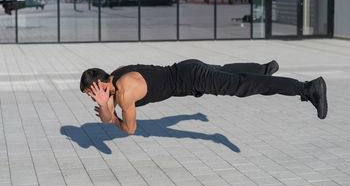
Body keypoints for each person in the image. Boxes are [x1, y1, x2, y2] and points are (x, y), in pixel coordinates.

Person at [80, 59, 327, 135]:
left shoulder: (125, 92)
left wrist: (112, 118)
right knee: (225, 72)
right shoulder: (115, 78)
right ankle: (263, 69)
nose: (92, 98)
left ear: (100, 84)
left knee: (242, 86)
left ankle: (307, 88)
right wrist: (106, 111)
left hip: (192, 78)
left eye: (92, 92)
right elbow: (106, 114)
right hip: (187, 69)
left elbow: (129, 129)